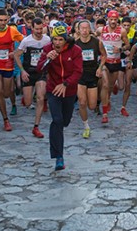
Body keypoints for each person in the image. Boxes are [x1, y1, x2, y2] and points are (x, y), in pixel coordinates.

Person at [37, 23, 83, 171]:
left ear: (65, 39)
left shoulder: (75, 50)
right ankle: (58, 157)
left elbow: (78, 72)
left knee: (65, 121)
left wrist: (66, 84)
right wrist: (47, 60)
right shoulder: (47, 49)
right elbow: (39, 69)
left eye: (60, 40)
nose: (57, 43)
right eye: (54, 40)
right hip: (53, 89)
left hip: (69, 90)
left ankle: (58, 137)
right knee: (56, 121)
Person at [0, 9, 24, 131]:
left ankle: (13, 103)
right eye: (0, 20)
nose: (2, 22)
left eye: (5, 20)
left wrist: (16, 52)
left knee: (7, 92)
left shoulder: (12, 31)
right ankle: (5, 119)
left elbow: (24, 41)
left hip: (8, 63)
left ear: (8, 20)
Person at [14, 18, 51, 138]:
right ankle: (32, 98)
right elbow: (16, 55)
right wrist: (22, 71)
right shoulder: (26, 41)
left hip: (41, 72)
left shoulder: (47, 39)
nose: (39, 31)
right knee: (28, 102)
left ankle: (36, 126)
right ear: (32, 28)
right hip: (29, 72)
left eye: (41, 29)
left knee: (40, 98)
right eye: (37, 29)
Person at [97, 10, 130, 123]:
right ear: (108, 19)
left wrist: (120, 49)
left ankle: (108, 99)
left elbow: (128, 45)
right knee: (105, 85)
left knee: (110, 87)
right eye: (111, 19)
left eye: (115, 20)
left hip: (116, 62)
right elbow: (93, 36)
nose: (113, 21)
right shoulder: (101, 30)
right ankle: (105, 113)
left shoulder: (122, 31)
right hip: (105, 61)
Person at [75, 20, 106, 138]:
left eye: (86, 28)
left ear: (90, 29)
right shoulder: (76, 44)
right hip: (80, 75)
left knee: (91, 106)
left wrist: (100, 67)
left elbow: (104, 55)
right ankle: (86, 126)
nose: (84, 30)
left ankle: (96, 103)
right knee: (82, 102)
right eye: (82, 28)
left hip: (93, 74)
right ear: (78, 30)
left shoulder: (97, 42)